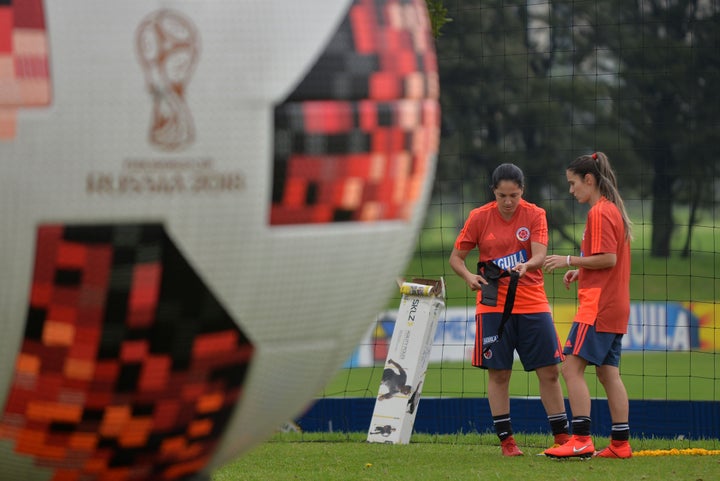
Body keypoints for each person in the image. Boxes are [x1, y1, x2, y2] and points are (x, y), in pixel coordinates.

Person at [449, 163, 569, 457]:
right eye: (502, 195)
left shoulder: (535, 214)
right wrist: (468, 277)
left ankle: (563, 440)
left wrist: (526, 265)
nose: (508, 202)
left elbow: (540, 254)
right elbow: (456, 258)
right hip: (492, 304)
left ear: (522, 191)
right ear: (494, 192)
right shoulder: (479, 217)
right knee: (499, 374)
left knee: (550, 370)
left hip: (532, 301)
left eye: (513, 195)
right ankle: (507, 443)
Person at [542, 152, 633, 459]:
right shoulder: (609, 211)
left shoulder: (600, 212)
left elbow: (609, 259)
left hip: (598, 307)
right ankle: (620, 444)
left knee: (569, 367)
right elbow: (606, 260)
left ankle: (580, 438)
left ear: (589, 180)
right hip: (614, 305)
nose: (571, 190)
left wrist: (569, 259)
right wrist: (581, 270)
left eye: (573, 183)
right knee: (609, 375)